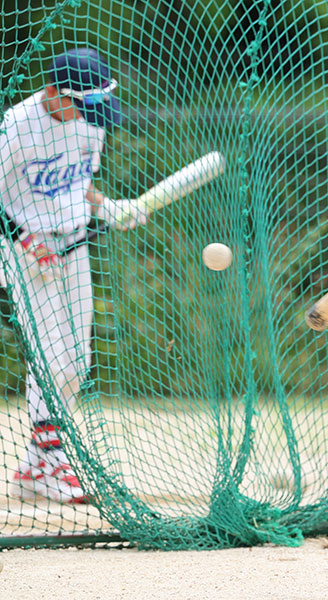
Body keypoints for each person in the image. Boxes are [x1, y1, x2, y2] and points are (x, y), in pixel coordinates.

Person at [0, 48, 145, 504]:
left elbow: (77, 181)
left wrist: (109, 207)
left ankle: (35, 463)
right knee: (53, 358)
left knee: (77, 361)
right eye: (82, 104)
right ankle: (52, 457)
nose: (91, 115)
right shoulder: (16, 128)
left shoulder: (91, 120)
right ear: (55, 93)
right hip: (25, 248)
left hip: (73, 242)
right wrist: (27, 242)